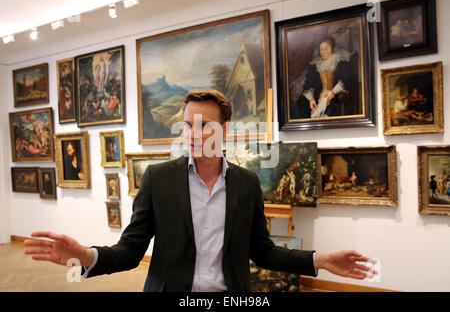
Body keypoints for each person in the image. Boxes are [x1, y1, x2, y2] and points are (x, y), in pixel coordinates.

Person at [24, 89, 376, 292]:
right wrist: (84, 255)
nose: (193, 133)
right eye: (187, 125)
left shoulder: (247, 183)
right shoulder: (158, 179)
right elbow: (131, 250)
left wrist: (321, 261)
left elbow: (263, 251)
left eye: (204, 125)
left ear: (224, 129)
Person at [295, 36, 356, 119]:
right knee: (301, 106)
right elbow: (308, 84)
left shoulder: (340, 62)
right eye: (321, 50)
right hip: (317, 97)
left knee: (329, 110)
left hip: (334, 97)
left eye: (326, 49)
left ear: (332, 49)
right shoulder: (315, 64)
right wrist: (311, 99)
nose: (323, 52)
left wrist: (333, 92)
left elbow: (346, 80)